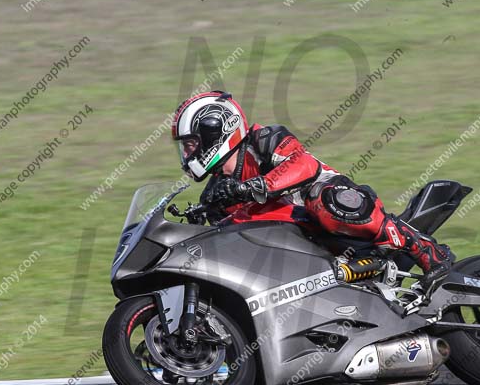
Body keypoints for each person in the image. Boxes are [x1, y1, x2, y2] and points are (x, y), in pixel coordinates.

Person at [171, 91, 453, 288]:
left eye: (191, 144)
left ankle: (427, 252)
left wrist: (255, 186)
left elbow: (303, 165)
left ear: (217, 131)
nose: (187, 153)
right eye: (185, 146)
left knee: (325, 199)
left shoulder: (264, 140)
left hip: (337, 211)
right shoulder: (216, 193)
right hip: (301, 249)